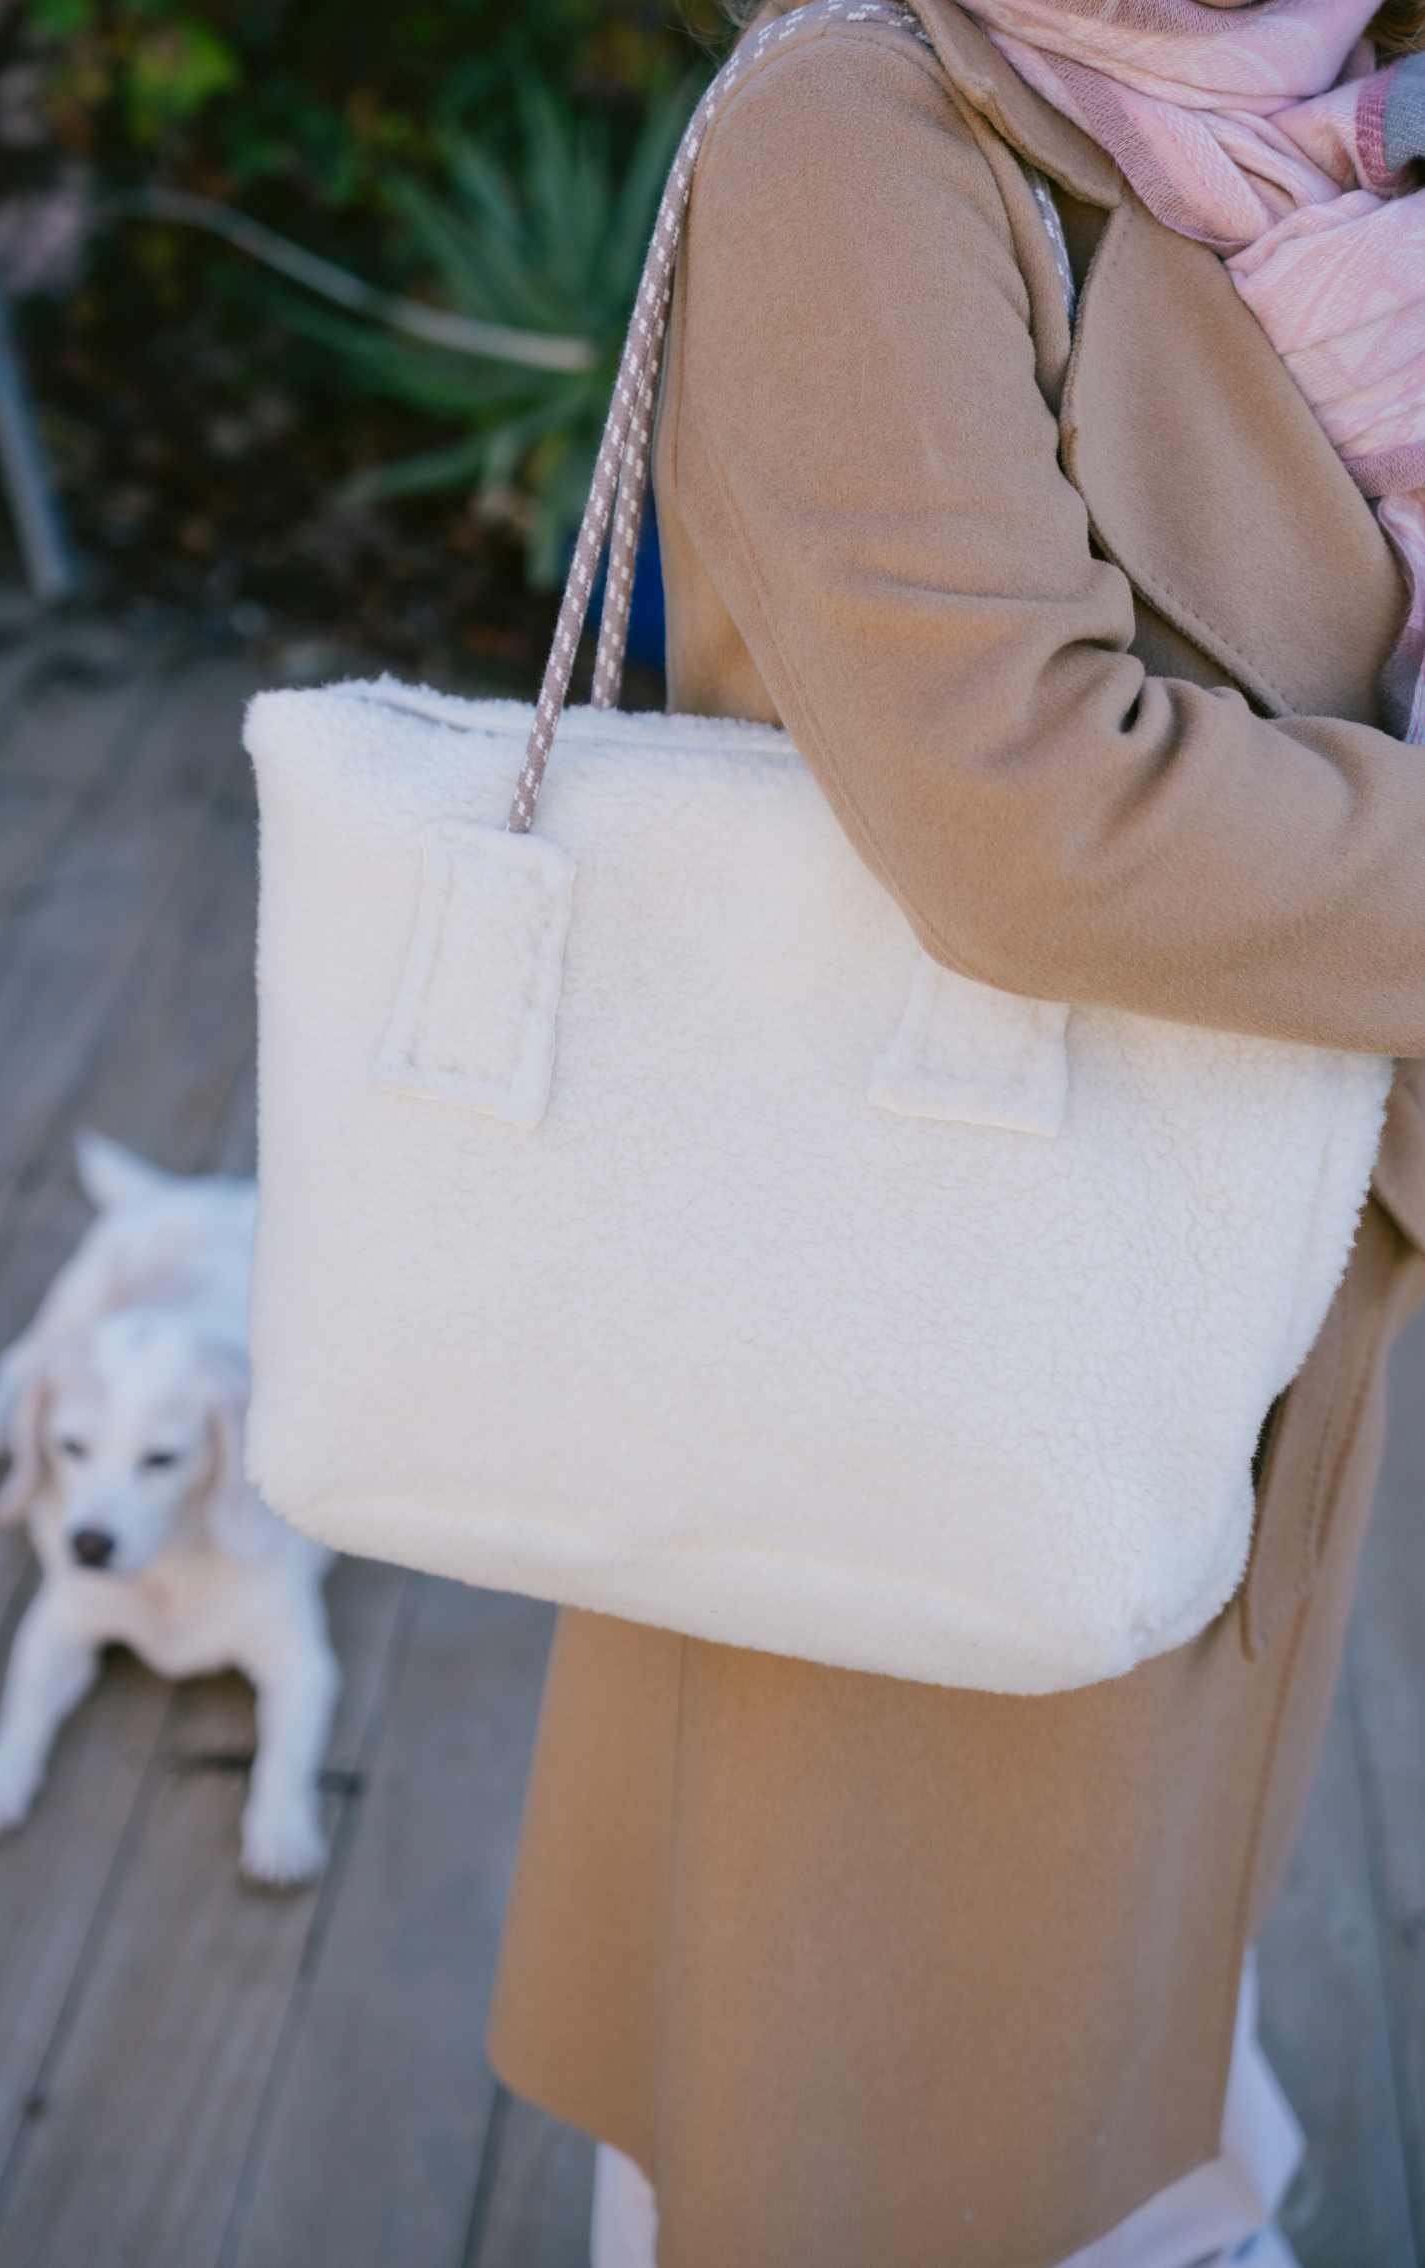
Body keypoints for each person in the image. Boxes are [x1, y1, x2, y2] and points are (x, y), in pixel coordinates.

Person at [485, 0, 1425, 2260]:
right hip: (931, 1305)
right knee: (861, 2074)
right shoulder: (866, 121)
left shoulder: (1353, 110)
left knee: (1107, 1982)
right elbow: (1022, 807)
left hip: (1243, 1295)